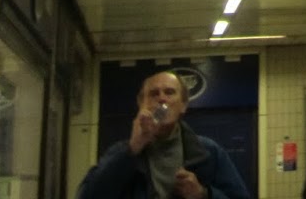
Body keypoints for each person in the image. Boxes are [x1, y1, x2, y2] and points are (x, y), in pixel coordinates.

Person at [76, 70, 250, 199]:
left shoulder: (209, 152)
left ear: (183, 105)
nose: (162, 99)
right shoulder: (121, 153)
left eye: (169, 92)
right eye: (153, 94)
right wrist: (132, 149)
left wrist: (203, 194)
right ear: (141, 104)